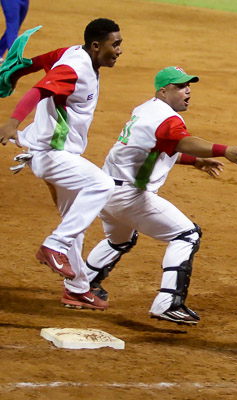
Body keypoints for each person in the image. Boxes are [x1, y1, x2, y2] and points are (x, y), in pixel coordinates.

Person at [73, 66, 237, 325]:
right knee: (187, 235)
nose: (187, 91)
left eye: (188, 86)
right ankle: (168, 303)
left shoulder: (145, 109)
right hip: (130, 196)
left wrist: (195, 162)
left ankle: (82, 285)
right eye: (180, 87)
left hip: (106, 191)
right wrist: (223, 150)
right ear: (163, 91)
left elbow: (157, 148)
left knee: (119, 240)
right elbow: (183, 142)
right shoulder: (166, 119)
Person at [0, 18, 123, 310]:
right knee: (102, 184)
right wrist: (13, 122)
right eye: (115, 44)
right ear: (96, 46)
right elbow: (38, 91)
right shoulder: (75, 68)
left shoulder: (72, 53)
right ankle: (53, 246)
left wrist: (16, 71)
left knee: (74, 218)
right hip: (51, 154)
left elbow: (42, 60)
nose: (119, 50)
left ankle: (77, 288)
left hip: (60, 154)